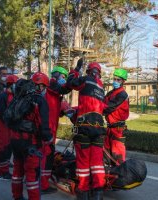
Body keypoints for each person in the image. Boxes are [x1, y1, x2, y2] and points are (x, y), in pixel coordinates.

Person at [66, 59, 105, 200]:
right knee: (97, 163)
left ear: (89, 71)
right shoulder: (101, 87)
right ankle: (98, 192)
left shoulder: (85, 80)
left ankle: (83, 192)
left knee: (83, 163)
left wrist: (76, 69)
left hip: (85, 128)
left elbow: (71, 82)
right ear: (99, 74)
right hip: (99, 129)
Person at [10, 76, 53, 200]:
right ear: (41, 86)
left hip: (15, 139)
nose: (45, 89)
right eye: (44, 86)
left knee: (17, 170)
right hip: (31, 142)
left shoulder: (19, 97)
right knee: (32, 174)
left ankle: (17, 196)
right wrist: (49, 139)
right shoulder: (39, 100)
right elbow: (44, 125)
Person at [39, 66, 71, 194]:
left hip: (48, 128)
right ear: (57, 75)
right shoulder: (51, 86)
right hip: (47, 129)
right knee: (46, 156)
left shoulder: (54, 92)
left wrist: (64, 111)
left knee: (42, 156)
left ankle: (37, 180)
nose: (64, 80)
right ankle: (43, 185)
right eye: (63, 77)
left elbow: (54, 109)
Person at [0, 74, 19, 180]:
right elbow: (2, 113)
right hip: (1, 126)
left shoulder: (13, 95)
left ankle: (5, 169)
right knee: (2, 149)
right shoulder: (3, 96)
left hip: (8, 126)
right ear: (11, 85)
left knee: (8, 148)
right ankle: (2, 173)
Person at [103, 68, 129, 165]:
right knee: (106, 154)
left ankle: (120, 174)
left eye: (118, 80)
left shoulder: (122, 94)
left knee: (117, 155)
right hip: (110, 127)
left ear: (123, 81)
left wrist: (97, 110)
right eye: (114, 79)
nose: (116, 81)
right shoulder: (111, 93)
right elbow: (103, 102)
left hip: (117, 129)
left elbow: (109, 107)